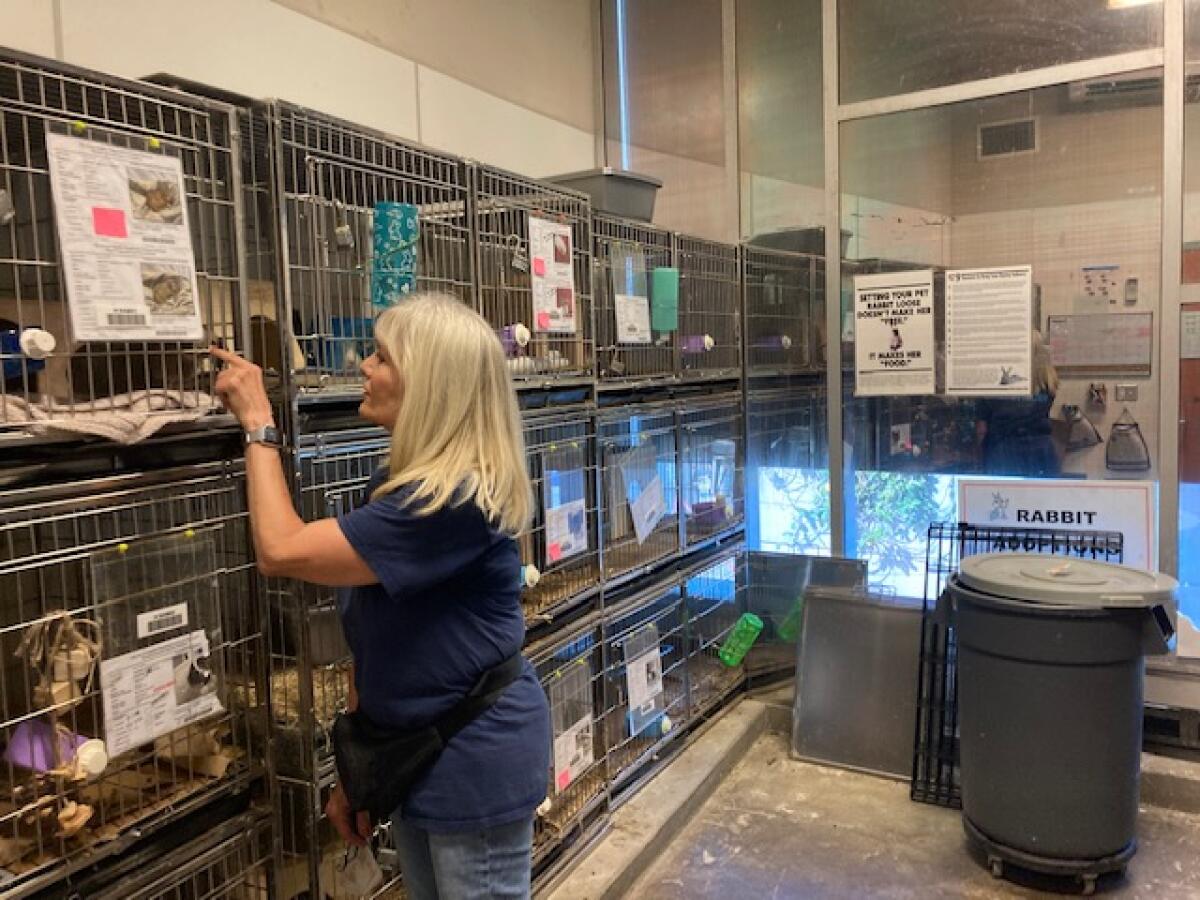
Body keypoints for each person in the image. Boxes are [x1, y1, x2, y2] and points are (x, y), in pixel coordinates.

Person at [211, 292, 550, 900]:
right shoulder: (395, 487)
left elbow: (280, 549)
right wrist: (359, 776)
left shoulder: (450, 498)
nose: (363, 367)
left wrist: (260, 427)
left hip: (473, 762)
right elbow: (376, 638)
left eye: (382, 358)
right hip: (416, 753)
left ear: (430, 385)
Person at [974, 331, 1061, 478]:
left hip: (1004, 452)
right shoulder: (1048, 382)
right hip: (1041, 451)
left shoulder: (993, 384)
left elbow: (981, 430)